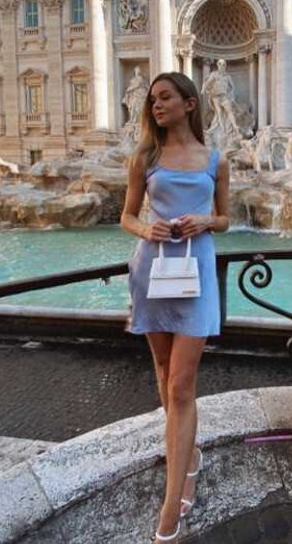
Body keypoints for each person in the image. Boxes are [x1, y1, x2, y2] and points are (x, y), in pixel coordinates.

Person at [120, 72, 229, 543]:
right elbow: (126, 215)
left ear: (189, 103)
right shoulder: (145, 156)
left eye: (165, 97)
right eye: (152, 100)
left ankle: (170, 507)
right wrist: (149, 229)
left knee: (183, 385)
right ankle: (190, 457)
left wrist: (205, 219)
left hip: (197, 272)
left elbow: (226, 219)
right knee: (165, 375)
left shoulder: (215, 159)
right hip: (153, 270)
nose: (156, 105)